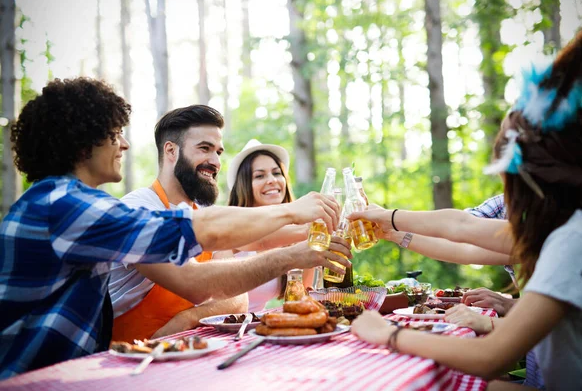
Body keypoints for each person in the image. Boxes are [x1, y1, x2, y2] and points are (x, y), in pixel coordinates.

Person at [0, 78, 349, 378]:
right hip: (35, 377)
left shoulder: (68, 203)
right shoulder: (66, 207)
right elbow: (201, 253)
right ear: (82, 141)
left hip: (84, 370)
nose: (124, 144)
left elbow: (246, 235)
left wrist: (321, 229)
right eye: (114, 133)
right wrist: (292, 216)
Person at [350, 17, 582, 390]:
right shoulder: (573, 227)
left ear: (527, 179)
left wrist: (387, 334)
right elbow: (463, 227)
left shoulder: (575, 241)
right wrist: (389, 221)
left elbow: (490, 358)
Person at [108, 105, 245, 342]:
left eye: (218, 152)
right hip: (129, 360)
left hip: (187, 351)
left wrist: (188, 319)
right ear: (171, 150)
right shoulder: (139, 208)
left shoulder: (204, 212)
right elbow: (195, 283)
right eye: (204, 148)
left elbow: (237, 296)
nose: (215, 161)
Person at [222, 139, 315, 311]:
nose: (272, 180)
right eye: (259, 175)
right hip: (220, 326)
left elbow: (302, 297)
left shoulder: (296, 230)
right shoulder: (232, 225)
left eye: (276, 173)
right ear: (244, 185)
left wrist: (315, 244)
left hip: (253, 328)